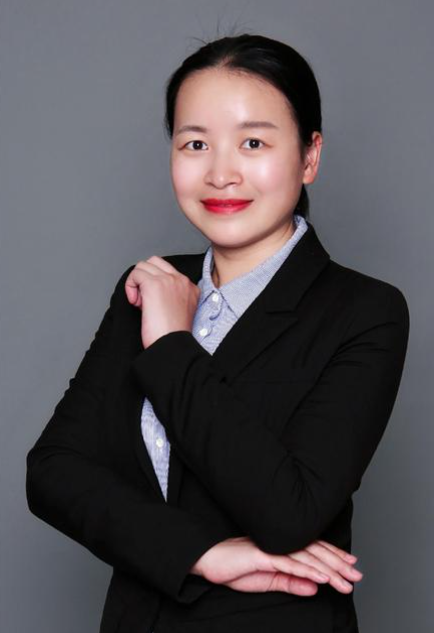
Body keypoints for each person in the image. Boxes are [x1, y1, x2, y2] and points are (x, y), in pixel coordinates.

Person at [26, 33, 410, 633]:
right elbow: (52, 472)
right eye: (195, 144)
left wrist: (171, 346)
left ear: (310, 156)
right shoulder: (148, 285)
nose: (221, 173)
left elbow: (289, 512)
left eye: (253, 142)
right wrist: (199, 554)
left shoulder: (366, 311)